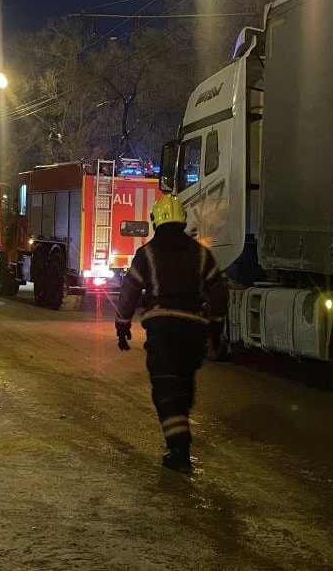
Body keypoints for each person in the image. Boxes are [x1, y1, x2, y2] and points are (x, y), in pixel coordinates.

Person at [115, 195, 227, 473]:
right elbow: (218, 293)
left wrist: (122, 324)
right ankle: (180, 438)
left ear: (156, 222)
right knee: (183, 386)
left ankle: (179, 450)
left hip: (162, 331)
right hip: (193, 332)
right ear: (182, 220)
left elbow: (129, 291)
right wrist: (215, 328)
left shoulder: (147, 253)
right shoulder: (202, 253)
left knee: (166, 390)